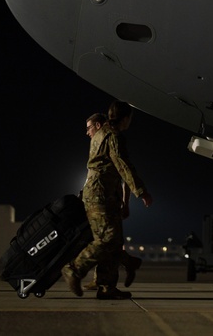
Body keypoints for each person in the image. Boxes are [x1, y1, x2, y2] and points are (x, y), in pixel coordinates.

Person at [63, 101, 152, 299]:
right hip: (100, 194)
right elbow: (123, 165)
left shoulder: (100, 134)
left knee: (114, 241)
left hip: (104, 194)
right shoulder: (113, 135)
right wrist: (141, 191)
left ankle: (106, 287)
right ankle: (74, 269)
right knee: (107, 239)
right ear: (126, 118)